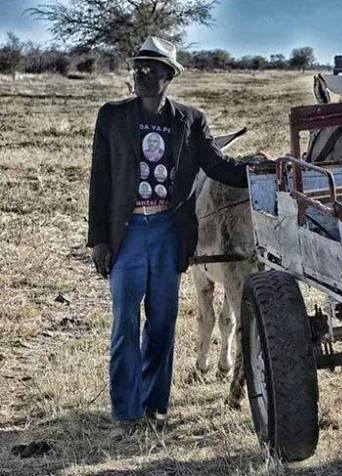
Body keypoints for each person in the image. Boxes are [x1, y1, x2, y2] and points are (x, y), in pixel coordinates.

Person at [86, 36, 260, 439]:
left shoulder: (189, 120)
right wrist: (98, 239)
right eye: (138, 67)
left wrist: (260, 171)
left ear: (169, 76)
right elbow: (100, 179)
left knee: (162, 325)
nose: (142, 74)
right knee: (124, 324)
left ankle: (154, 408)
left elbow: (218, 165)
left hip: (167, 231)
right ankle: (126, 414)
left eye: (152, 68)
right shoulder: (112, 116)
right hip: (126, 233)